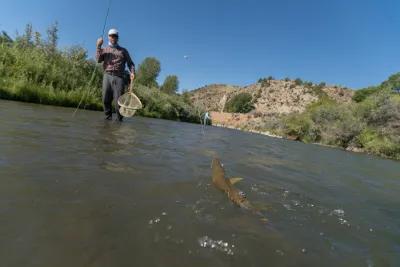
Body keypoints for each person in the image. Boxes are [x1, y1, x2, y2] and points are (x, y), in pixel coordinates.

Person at [96, 28, 135, 121]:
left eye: (115, 36)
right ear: (108, 37)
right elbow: (98, 60)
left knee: (119, 102)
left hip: (119, 77)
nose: (113, 37)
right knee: (105, 99)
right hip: (107, 75)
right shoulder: (104, 49)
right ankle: (107, 118)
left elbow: (130, 63)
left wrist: (132, 72)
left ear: (118, 38)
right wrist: (98, 46)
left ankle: (119, 120)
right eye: (111, 36)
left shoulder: (123, 51)